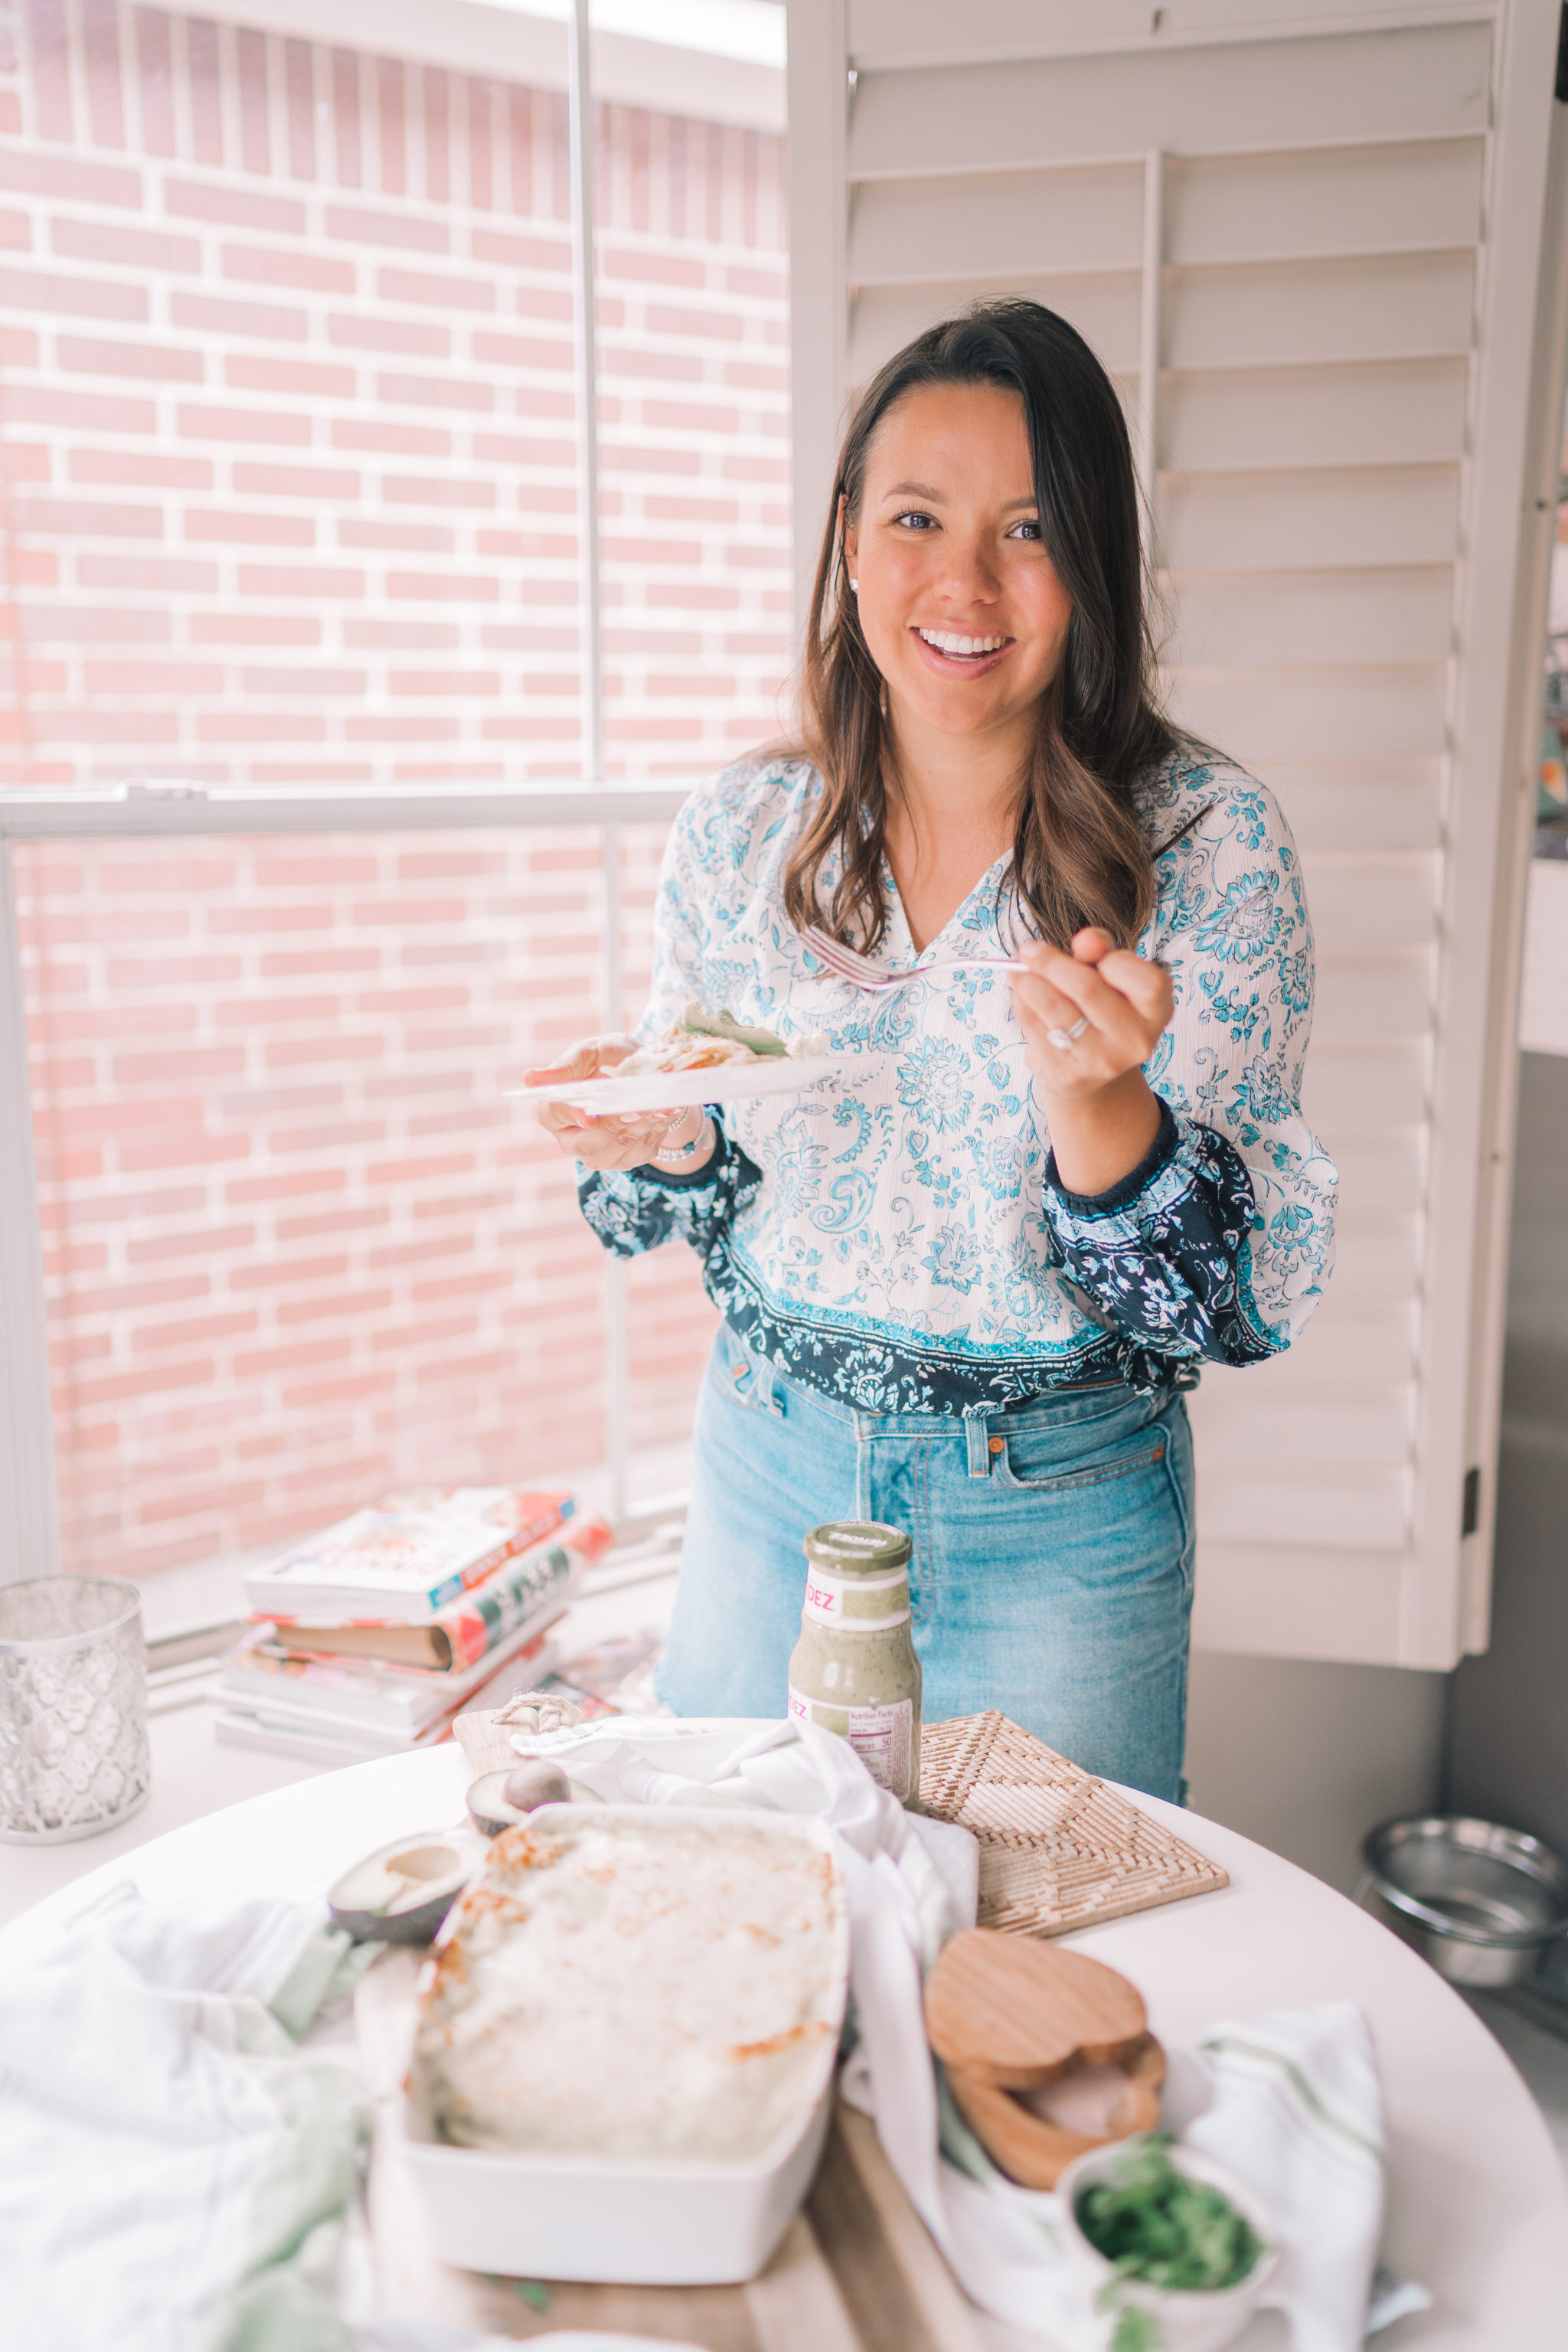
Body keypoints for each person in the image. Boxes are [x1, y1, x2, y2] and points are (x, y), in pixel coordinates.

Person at [527, 298, 1336, 1802]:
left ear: (1091, 567)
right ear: (847, 538)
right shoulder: (747, 832)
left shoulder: (1207, 848)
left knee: (1031, 1978)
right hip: (767, 1473)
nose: (963, 580)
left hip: (1057, 1518)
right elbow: (713, 1185)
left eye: (1028, 530)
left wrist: (1100, 1112)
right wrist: (666, 1134)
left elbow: (1212, 1309)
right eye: (916, 516)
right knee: (739, 1923)